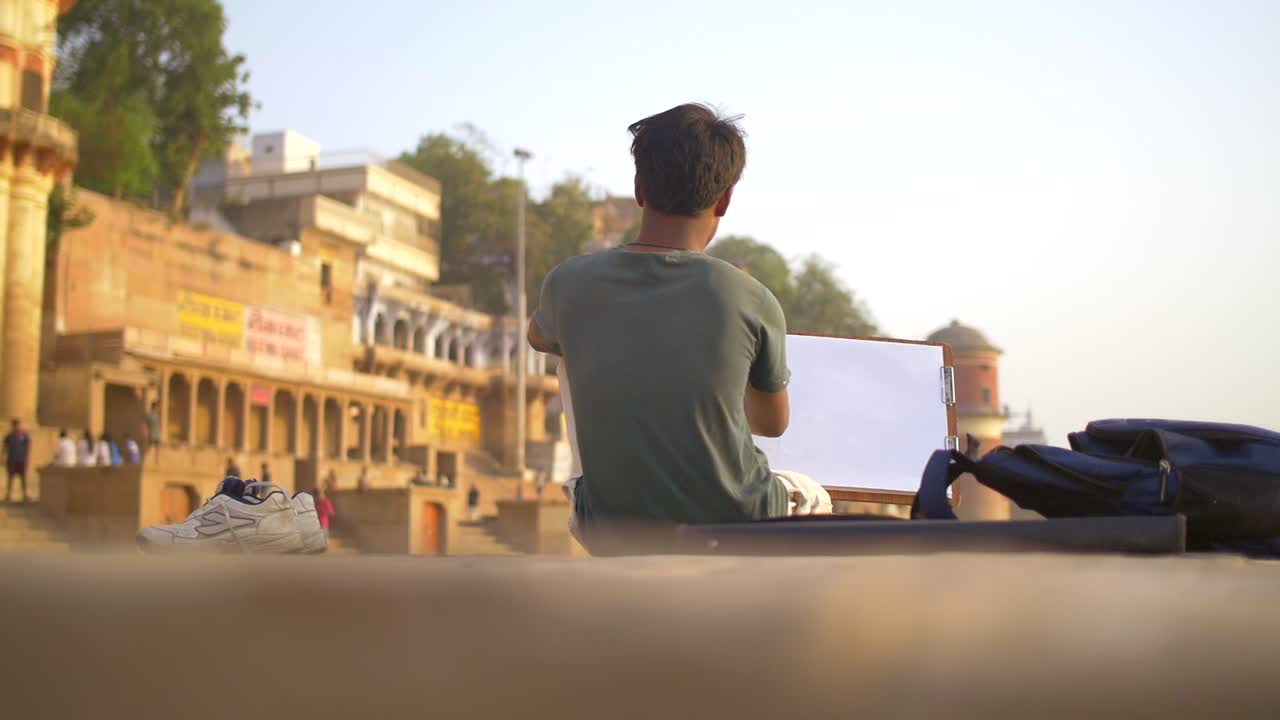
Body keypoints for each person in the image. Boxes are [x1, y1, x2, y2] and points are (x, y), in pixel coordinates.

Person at [527, 104, 829, 550]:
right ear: (724, 199)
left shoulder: (568, 282)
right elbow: (772, 423)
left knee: (563, 347)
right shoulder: (750, 297)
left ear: (639, 189)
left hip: (608, 522)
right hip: (739, 523)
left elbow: (538, 338)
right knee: (816, 497)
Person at [3, 419, 31, 503]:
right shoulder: (8, 437)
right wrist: (3, 457)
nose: (16, 427)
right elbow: (4, 447)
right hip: (12, 460)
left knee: (23, 478)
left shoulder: (24, 436)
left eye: (18, 425)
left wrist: (27, 459)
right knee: (10, 478)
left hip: (21, 460)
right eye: (15, 425)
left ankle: (25, 495)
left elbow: (28, 447)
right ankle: (8, 495)